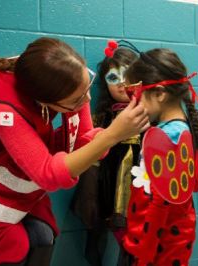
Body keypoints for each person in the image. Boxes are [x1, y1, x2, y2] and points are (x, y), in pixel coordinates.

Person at [0, 37, 149, 266]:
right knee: (9, 244)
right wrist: (112, 135)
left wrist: (105, 138)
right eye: (76, 100)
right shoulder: (4, 107)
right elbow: (48, 174)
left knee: (42, 235)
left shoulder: (57, 74)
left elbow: (82, 143)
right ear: (43, 99)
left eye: (86, 89)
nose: (85, 100)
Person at [120, 48, 198, 266]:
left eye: (134, 94)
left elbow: (158, 205)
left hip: (154, 244)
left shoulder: (165, 138)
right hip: (172, 238)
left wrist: (143, 253)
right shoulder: (182, 129)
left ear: (159, 93)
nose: (132, 103)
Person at [71, 41, 140, 265]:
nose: (121, 84)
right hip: (108, 192)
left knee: (137, 244)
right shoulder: (101, 118)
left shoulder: (149, 116)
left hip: (139, 193)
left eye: (128, 76)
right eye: (113, 78)